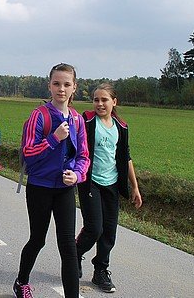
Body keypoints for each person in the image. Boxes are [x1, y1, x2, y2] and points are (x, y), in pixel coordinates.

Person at [13, 63, 90, 298]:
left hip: (65, 189)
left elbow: (84, 156)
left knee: (68, 246)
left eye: (67, 84)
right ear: (49, 86)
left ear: (74, 87)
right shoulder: (39, 116)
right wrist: (54, 138)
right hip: (40, 187)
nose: (61, 89)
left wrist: (77, 175)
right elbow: (29, 153)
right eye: (56, 84)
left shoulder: (77, 119)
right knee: (38, 239)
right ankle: (21, 282)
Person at [76, 82, 142, 293]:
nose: (100, 104)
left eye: (104, 100)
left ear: (114, 102)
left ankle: (101, 271)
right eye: (96, 100)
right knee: (94, 228)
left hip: (112, 184)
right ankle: (75, 254)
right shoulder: (87, 121)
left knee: (109, 231)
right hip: (90, 182)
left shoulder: (121, 127)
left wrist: (134, 187)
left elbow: (126, 157)